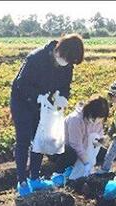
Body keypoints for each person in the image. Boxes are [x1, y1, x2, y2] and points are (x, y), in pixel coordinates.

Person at [10, 34, 84, 197]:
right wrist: (38, 96)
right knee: (23, 140)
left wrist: (63, 97)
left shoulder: (67, 65)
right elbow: (20, 84)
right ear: (61, 50)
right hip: (22, 102)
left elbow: (65, 86)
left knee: (40, 138)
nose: (68, 64)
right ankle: (22, 181)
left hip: (45, 105)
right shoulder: (36, 58)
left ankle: (35, 177)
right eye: (68, 60)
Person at [50, 96, 109, 187]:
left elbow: (98, 135)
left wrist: (100, 141)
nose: (97, 121)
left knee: (104, 153)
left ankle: (77, 166)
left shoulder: (97, 120)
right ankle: (59, 173)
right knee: (71, 153)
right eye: (95, 118)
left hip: (83, 147)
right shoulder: (75, 120)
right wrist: (86, 162)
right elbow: (75, 144)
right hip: (62, 147)